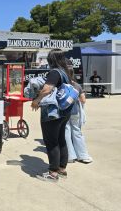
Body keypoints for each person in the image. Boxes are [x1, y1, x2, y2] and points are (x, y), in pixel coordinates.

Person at [31, 49, 72, 182]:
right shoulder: (65, 72)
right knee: (61, 139)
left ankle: (52, 173)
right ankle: (62, 169)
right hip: (64, 112)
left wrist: (36, 100)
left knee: (51, 141)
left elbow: (47, 89)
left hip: (52, 113)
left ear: (51, 60)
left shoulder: (54, 72)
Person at [65, 68, 93, 164]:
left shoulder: (62, 85)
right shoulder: (77, 86)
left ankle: (70, 156)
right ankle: (83, 155)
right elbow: (83, 100)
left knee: (66, 132)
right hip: (75, 111)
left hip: (64, 112)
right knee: (77, 132)